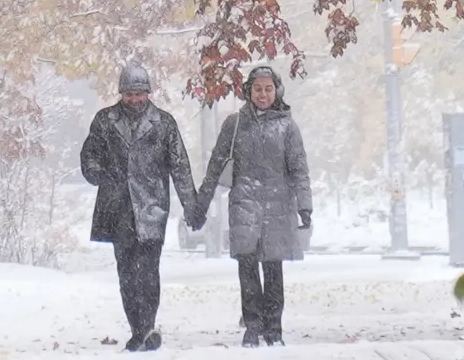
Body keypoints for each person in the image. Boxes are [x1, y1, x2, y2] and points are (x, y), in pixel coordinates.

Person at [80, 62, 202, 352]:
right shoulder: (105, 120)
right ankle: (138, 329)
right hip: (117, 208)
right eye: (129, 94)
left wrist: (191, 206)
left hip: (151, 207)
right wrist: (100, 173)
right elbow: (89, 155)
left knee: (148, 272)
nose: (135, 99)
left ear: (148, 93)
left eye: (140, 94)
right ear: (121, 93)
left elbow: (180, 167)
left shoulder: (164, 123)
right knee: (127, 274)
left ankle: (146, 327)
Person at [193, 65, 312, 348]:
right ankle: (252, 326)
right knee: (247, 269)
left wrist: (305, 206)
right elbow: (215, 166)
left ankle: (274, 328)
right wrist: (200, 203)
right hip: (244, 205)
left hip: (278, 207)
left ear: (277, 91)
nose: (263, 94)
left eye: (268, 89)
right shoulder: (234, 125)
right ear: (249, 91)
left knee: (273, 271)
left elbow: (299, 169)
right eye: (257, 89)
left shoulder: (287, 126)